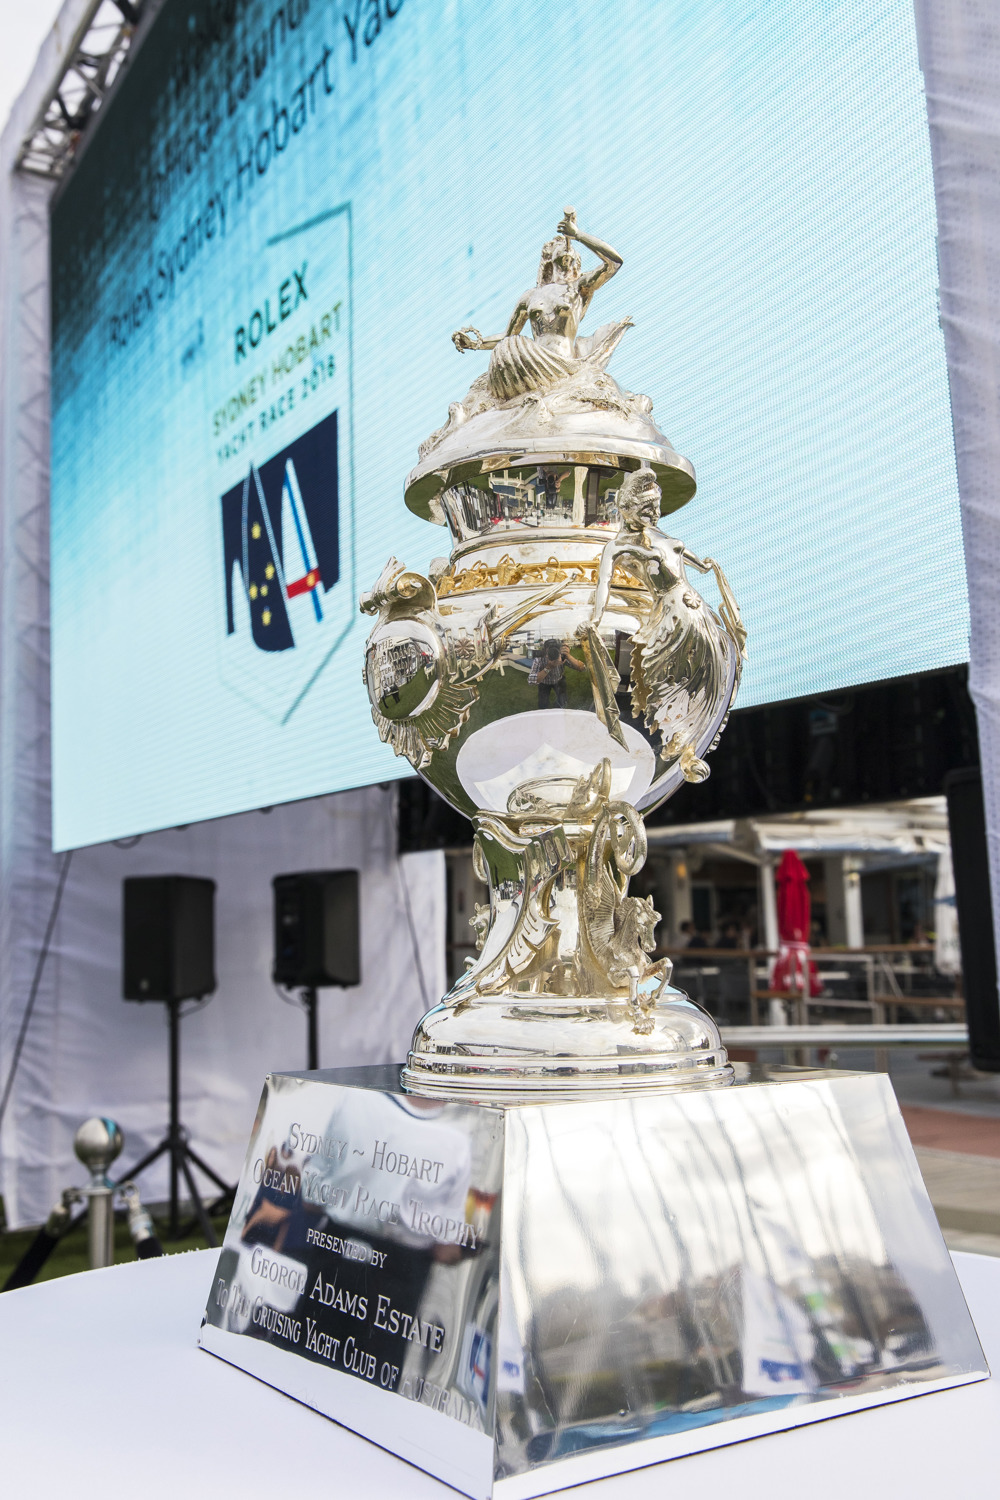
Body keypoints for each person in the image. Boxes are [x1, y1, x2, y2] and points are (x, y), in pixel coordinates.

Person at [452, 208, 629, 403]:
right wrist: (476, 344)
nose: (565, 256)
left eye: (569, 255)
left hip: (562, 365)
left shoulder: (579, 287)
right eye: (559, 253)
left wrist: (578, 235)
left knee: (512, 346)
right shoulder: (530, 296)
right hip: (531, 363)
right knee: (508, 347)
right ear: (550, 260)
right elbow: (506, 336)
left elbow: (614, 262)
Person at [528, 637, 586, 709]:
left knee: (562, 702)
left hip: (559, 680)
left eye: (555, 650)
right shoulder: (539, 658)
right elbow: (530, 680)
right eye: (550, 650)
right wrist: (549, 667)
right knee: (543, 704)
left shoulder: (562, 656)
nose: (553, 653)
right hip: (544, 682)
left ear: (559, 650)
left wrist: (568, 655)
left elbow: (582, 668)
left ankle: (559, 709)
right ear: (544, 651)